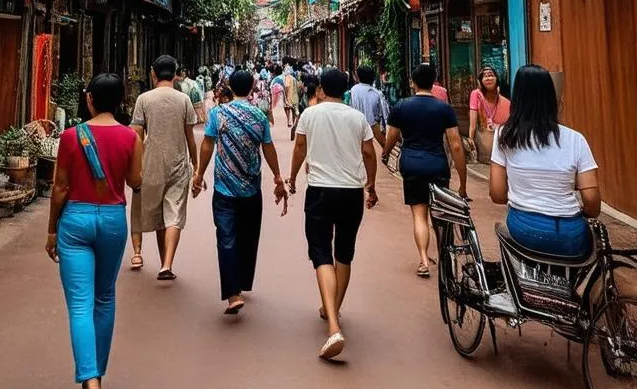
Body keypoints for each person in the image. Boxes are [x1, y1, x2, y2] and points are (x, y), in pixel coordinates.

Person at [47, 73, 143, 389]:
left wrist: (51, 230)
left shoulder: (71, 137)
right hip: (114, 220)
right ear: (120, 101)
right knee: (104, 297)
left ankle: (90, 382)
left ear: (89, 99)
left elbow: (59, 187)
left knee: (80, 305)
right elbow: (135, 181)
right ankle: (96, 377)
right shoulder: (131, 136)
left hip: (76, 221)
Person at [288, 67, 378, 361]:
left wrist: (291, 178)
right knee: (344, 253)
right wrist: (371, 185)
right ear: (346, 90)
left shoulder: (310, 115)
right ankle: (332, 307)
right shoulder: (357, 117)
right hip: (351, 191)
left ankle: (334, 326)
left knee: (321, 254)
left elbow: (299, 147)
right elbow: (368, 153)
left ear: (321, 89)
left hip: (320, 191)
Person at [192, 70, 287, 314]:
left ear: (230, 87)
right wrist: (278, 176)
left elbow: (207, 145)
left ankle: (233, 292)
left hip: (224, 187)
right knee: (248, 235)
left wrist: (199, 173)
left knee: (226, 237)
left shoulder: (218, 113)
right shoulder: (259, 115)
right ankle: (241, 282)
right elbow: (268, 147)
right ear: (252, 86)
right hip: (251, 188)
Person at [489, 64, 600, 259]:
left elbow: (497, 194)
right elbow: (592, 202)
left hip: (524, 228)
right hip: (571, 234)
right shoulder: (576, 139)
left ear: (518, 98)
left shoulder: (505, 136)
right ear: (551, 97)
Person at [382, 63, 467, 277]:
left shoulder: (401, 106)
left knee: (419, 214)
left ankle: (423, 260)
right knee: (439, 214)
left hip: (411, 163)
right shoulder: (444, 108)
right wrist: (463, 181)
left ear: (413, 83)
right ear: (434, 82)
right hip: (437, 163)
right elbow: (456, 145)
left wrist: (385, 153)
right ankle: (444, 258)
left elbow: (392, 137)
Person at [129, 55, 199, 279]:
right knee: (174, 213)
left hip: (151, 163)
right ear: (176, 74)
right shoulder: (184, 100)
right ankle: (166, 264)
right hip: (178, 163)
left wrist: (135, 166)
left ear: (153, 73)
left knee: (157, 212)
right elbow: (190, 137)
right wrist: (196, 165)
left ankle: (156, 260)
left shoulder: (143, 99)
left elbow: (137, 135)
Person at [467, 66, 511, 164]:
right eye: (485, 76)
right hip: (484, 144)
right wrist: (471, 138)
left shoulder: (506, 102)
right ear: (480, 81)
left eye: (491, 75)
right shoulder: (476, 95)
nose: (488, 78)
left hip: (502, 145)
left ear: (497, 79)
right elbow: (472, 123)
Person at [349, 65, 389, 149]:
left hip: (356, 134)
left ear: (358, 77)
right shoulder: (374, 93)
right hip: (373, 137)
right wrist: (384, 146)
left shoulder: (353, 90)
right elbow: (371, 122)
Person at [283, 64, 300, 128]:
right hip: (295, 96)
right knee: (293, 110)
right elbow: (298, 87)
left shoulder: (287, 77)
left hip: (289, 95)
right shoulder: (294, 78)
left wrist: (286, 93)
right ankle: (293, 123)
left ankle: (288, 121)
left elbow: (287, 86)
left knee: (287, 109)